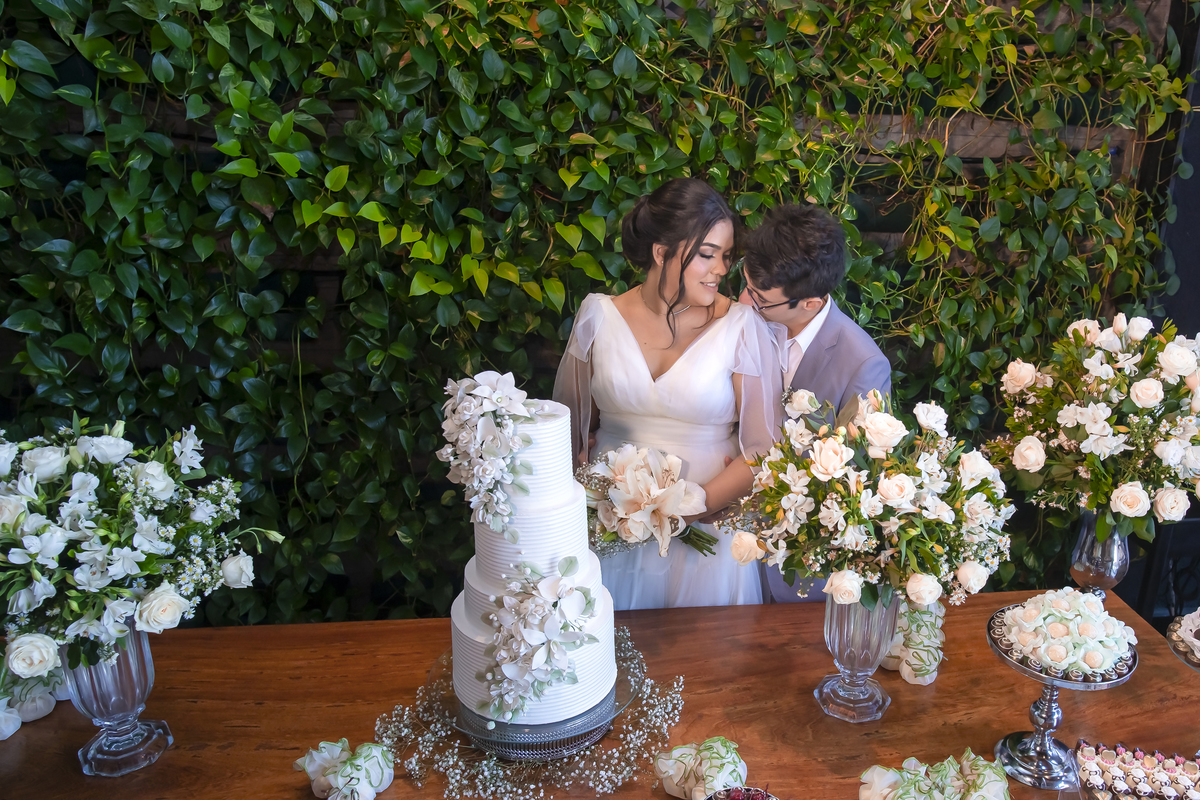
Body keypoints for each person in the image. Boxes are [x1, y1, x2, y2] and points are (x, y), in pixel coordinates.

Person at [553, 178, 783, 610]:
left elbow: (762, 449)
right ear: (662, 253)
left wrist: (691, 510)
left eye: (726, 257)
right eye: (707, 255)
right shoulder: (598, 316)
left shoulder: (742, 327)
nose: (721, 270)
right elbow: (569, 436)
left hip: (708, 533)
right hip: (610, 528)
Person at [738, 202, 892, 603]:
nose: (746, 300)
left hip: (795, 573)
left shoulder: (863, 365)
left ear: (810, 302)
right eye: (747, 285)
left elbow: (856, 484)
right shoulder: (749, 308)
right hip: (726, 554)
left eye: (761, 299)